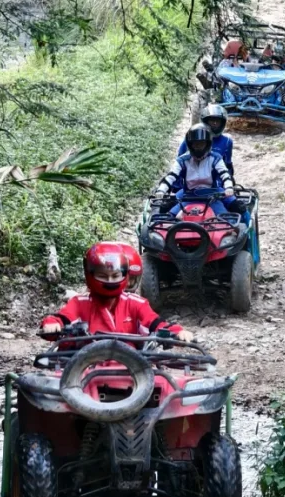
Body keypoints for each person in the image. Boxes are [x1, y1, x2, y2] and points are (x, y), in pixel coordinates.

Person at [39, 242, 193, 339]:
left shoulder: (137, 303)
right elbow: (62, 319)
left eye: (115, 276)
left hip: (130, 367)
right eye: (103, 276)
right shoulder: (79, 303)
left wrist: (177, 331)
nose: (110, 281)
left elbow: (154, 323)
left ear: (124, 275)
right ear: (90, 275)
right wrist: (51, 324)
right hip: (85, 367)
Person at [156, 124, 238, 218]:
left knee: (232, 214)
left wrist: (228, 187)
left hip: (212, 195)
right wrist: (161, 190)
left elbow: (225, 174)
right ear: (190, 144)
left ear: (207, 144)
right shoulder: (182, 160)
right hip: (188, 195)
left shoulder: (216, 158)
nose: (198, 147)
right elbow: (171, 176)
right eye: (195, 144)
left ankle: (248, 229)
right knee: (166, 215)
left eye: (201, 143)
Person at [180, 104, 235, 174]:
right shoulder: (192, 137)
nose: (215, 123)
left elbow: (228, 165)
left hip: (217, 178)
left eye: (218, 121)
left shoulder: (227, 141)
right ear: (205, 121)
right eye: (212, 120)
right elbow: (180, 160)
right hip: (192, 177)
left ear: (222, 123)